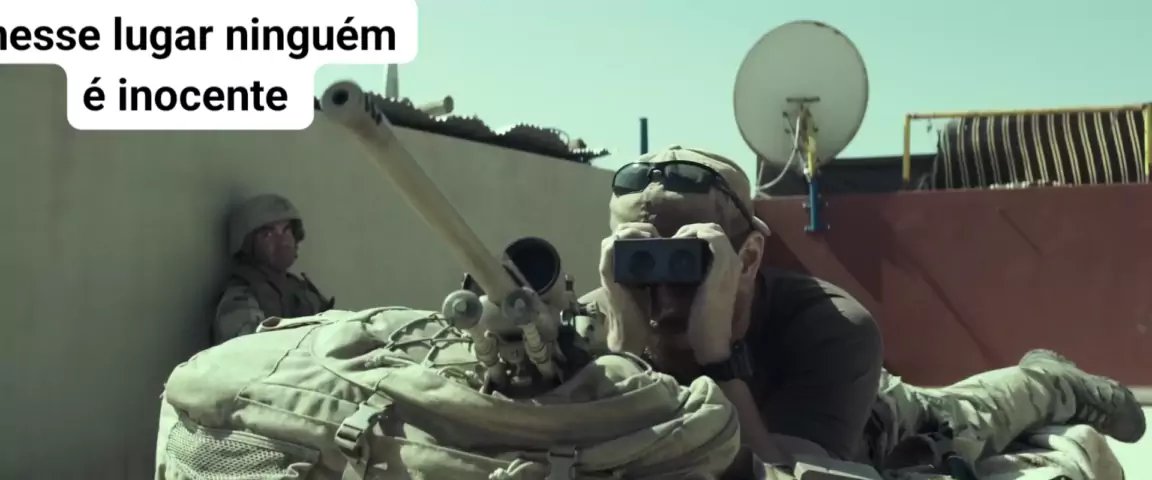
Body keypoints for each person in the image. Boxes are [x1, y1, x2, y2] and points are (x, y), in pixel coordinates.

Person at [580, 146, 1146, 474]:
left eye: (689, 261)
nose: (663, 292)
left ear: (748, 257)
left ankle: (1049, 380)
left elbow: (779, 474)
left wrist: (715, 355)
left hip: (869, 419)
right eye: (639, 259)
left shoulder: (829, 325)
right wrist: (622, 355)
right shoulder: (592, 325)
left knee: (963, 416)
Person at [213, 194, 334, 345]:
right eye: (268, 234)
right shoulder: (241, 296)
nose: (283, 240)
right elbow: (250, 347)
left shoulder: (302, 292)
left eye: (286, 231)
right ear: (248, 245)